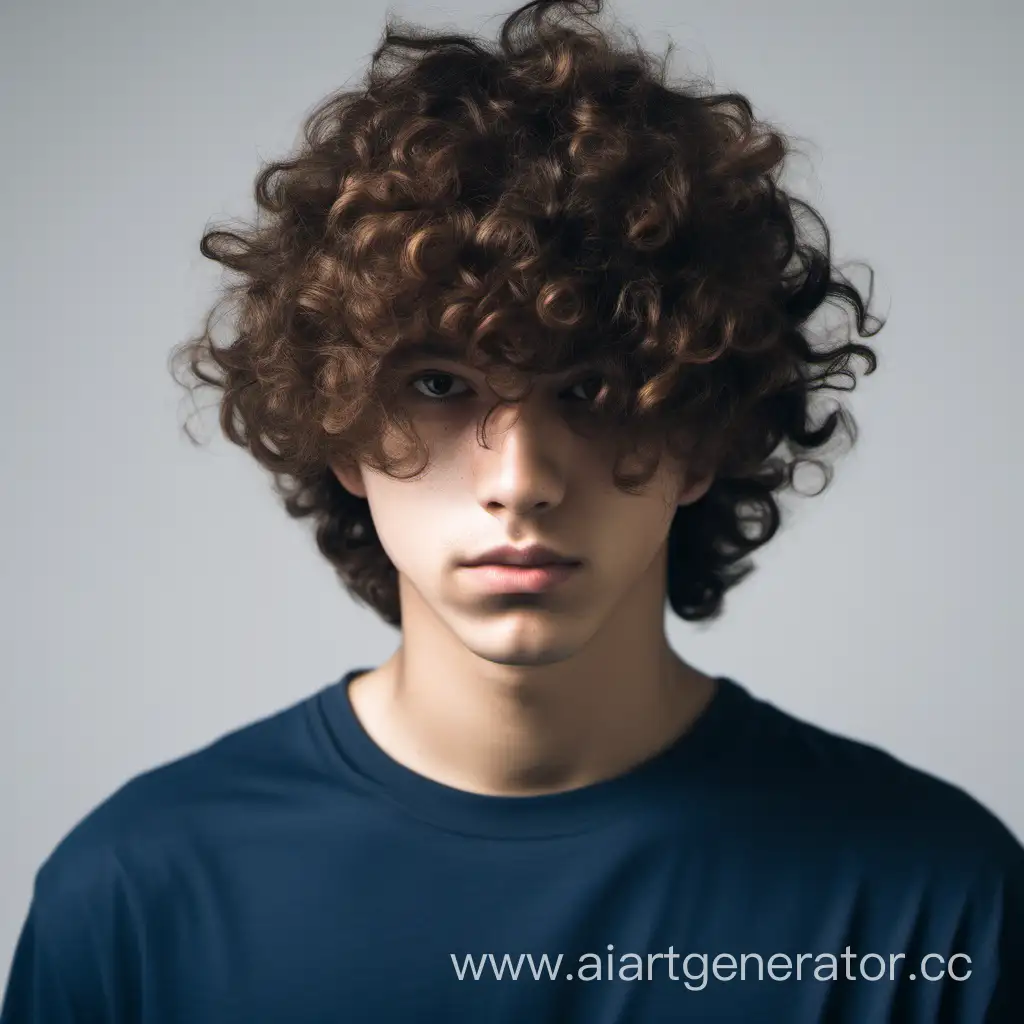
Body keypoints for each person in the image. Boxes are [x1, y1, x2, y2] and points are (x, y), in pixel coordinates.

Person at [3, 1, 1021, 1020]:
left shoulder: (935, 906)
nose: (521, 477)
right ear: (342, 423)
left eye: (593, 390)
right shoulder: (135, 896)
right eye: (440, 386)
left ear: (704, 433)